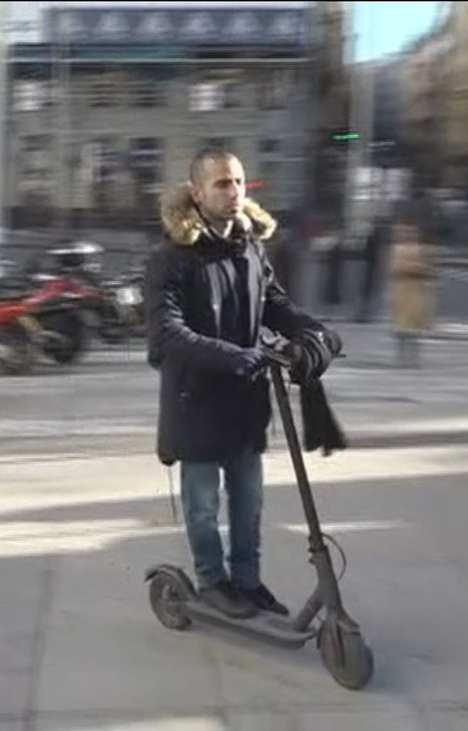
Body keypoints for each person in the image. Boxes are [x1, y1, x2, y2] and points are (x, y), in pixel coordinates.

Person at [146, 150, 342, 620]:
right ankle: (213, 582)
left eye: (238, 182)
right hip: (196, 406)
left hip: (246, 403)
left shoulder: (250, 247)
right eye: (221, 184)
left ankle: (248, 583)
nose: (233, 193)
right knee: (203, 506)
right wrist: (236, 357)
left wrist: (314, 332)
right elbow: (166, 335)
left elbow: (274, 304)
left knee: (249, 503)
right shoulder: (172, 258)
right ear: (197, 192)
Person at [388, 215, 434, 367]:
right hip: (402, 291)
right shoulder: (397, 249)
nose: (408, 235)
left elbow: (428, 268)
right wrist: (412, 268)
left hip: (416, 291)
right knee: (401, 326)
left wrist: (416, 269)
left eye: (411, 232)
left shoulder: (422, 249)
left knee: (414, 326)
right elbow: (395, 268)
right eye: (405, 232)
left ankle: (413, 357)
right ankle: (401, 356)